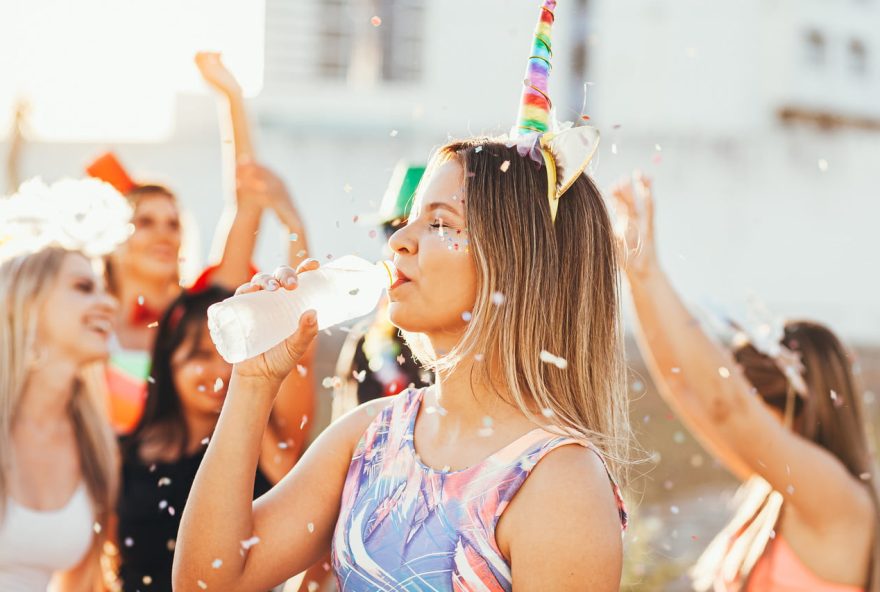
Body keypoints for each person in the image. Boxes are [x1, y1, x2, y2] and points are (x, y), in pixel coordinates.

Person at [173, 3, 631, 590]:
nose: (402, 242)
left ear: (516, 265)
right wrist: (254, 381)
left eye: (440, 224)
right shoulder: (371, 435)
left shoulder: (558, 481)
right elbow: (209, 583)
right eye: (410, 221)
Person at [611, 173, 879, 591]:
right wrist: (639, 276)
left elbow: (727, 405)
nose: (745, 423)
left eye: (752, 403)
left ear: (790, 402)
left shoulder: (835, 496)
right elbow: (684, 387)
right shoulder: (777, 486)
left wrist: (654, 273)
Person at [90, 52, 311, 434]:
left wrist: (231, 97)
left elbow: (247, 201)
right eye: (145, 221)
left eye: (173, 223)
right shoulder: (89, 320)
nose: (164, 233)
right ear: (113, 236)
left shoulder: (197, 314)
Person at [113, 286, 309, 591]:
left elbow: (294, 493)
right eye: (201, 355)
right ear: (170, 360)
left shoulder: (260, 444)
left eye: (230, 355)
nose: (221, 371)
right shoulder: (127, 454)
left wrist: (253, 390)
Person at [0, 246, 119, 591]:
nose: (109, 304)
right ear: (26, 304)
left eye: (104, 289)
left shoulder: (97, 444)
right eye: (83, 287)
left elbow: (79, 583)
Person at [332, 161, 432, 418]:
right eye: (391, 229)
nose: (398, 243)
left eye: (425, 229)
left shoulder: (463, 345)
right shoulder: (363, 339)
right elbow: (340, 433)